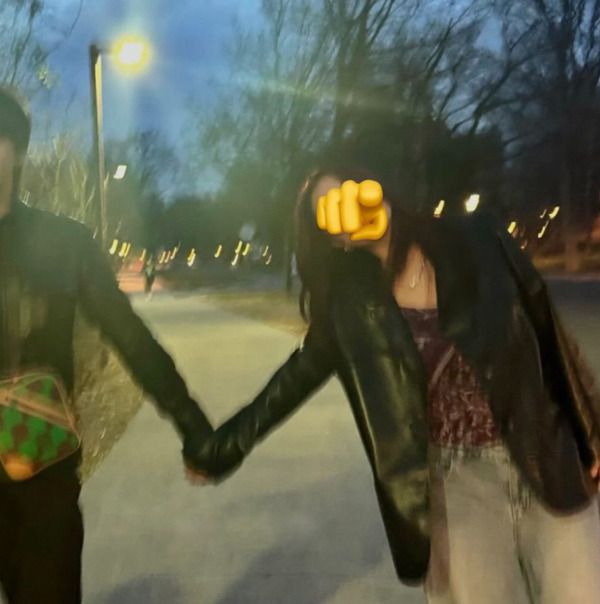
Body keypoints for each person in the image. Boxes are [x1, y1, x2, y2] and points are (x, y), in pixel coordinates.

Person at [192, 161, 600, 603]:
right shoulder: (348, 312)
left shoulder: (478, 238)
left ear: (376, 189)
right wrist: (218, 451)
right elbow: (288, 385)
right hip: (455, 489)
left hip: (545, 451)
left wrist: (591, 430)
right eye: (327, 210)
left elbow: (548, 329)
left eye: (348, 191)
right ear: (332, 239)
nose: (347, 210)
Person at [0, 86, 212, 603]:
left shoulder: (63, 243)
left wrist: (192, 424)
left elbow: (129, 336)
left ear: (18, 151)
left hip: (41, 480)